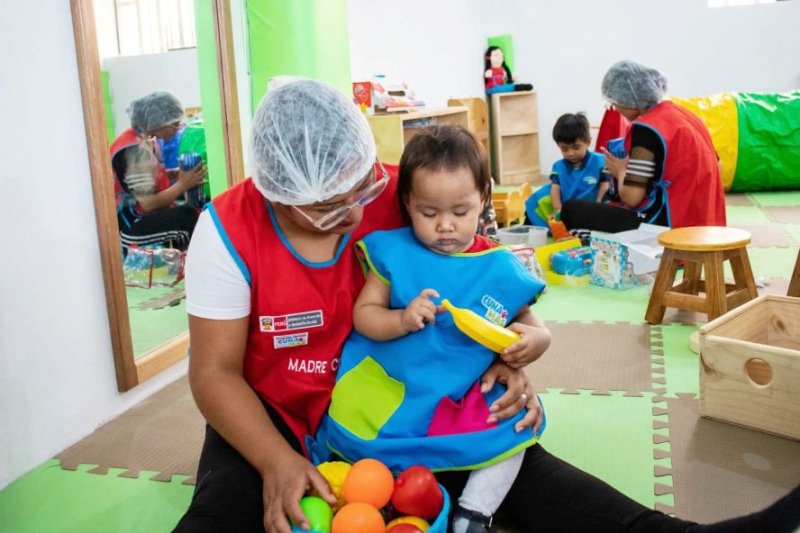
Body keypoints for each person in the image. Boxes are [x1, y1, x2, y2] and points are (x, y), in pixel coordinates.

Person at [174, 79, 799, 533]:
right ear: (274, 192)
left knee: (521, 469)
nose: (353, 216)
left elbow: (486, 287)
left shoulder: (407, 193)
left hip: (406, 397)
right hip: (273, 412)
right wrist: (277, 460)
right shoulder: (227, 231)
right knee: (222, 511)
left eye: (358, 190)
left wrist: (508, 358)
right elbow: (214, 374)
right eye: (328, 209)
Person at [318, 125, 551, 533]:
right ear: (408, 203)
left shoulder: (498, 267)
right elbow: (364, 315)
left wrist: (537, 341)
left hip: (458, 392)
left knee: (517, 430)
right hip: (395, 382)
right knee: (361, 440)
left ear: (483, 198)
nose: (445, 226)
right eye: (429, 213)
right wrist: (401, 319)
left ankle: (475, 512)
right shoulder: (395, 252)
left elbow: (533, 326)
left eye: (460, 212)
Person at [561, 60, 727, 234]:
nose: (615, 108)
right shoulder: (685, 115)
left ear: (630, 98)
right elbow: (719, 168)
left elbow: (632, 198)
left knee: (572, 209)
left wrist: (620, 170)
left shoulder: (646, 130)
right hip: (708, 224)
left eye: (614, 102)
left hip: (669, 226)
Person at [110, 91, 206, 251]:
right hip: (131, 225)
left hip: (138, 215)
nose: (177, 128)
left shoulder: (143, 140)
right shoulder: (135, 150)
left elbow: (142, 182)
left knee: (188, 211)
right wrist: (183, 184)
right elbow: (148, 204)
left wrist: (173, 174)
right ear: (158, 122)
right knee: (189, 218)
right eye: (174, 123)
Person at [525, 113, 612, 228]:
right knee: (537, 198)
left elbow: (605, 186)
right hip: (568, 207)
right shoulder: (558, 167)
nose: (570, 153)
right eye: (564, 149)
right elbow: (555, 189)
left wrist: (599, 206)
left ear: (588, 142)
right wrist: (558, 211)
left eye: (576, 147)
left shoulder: (599, 161)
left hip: (591, 207)